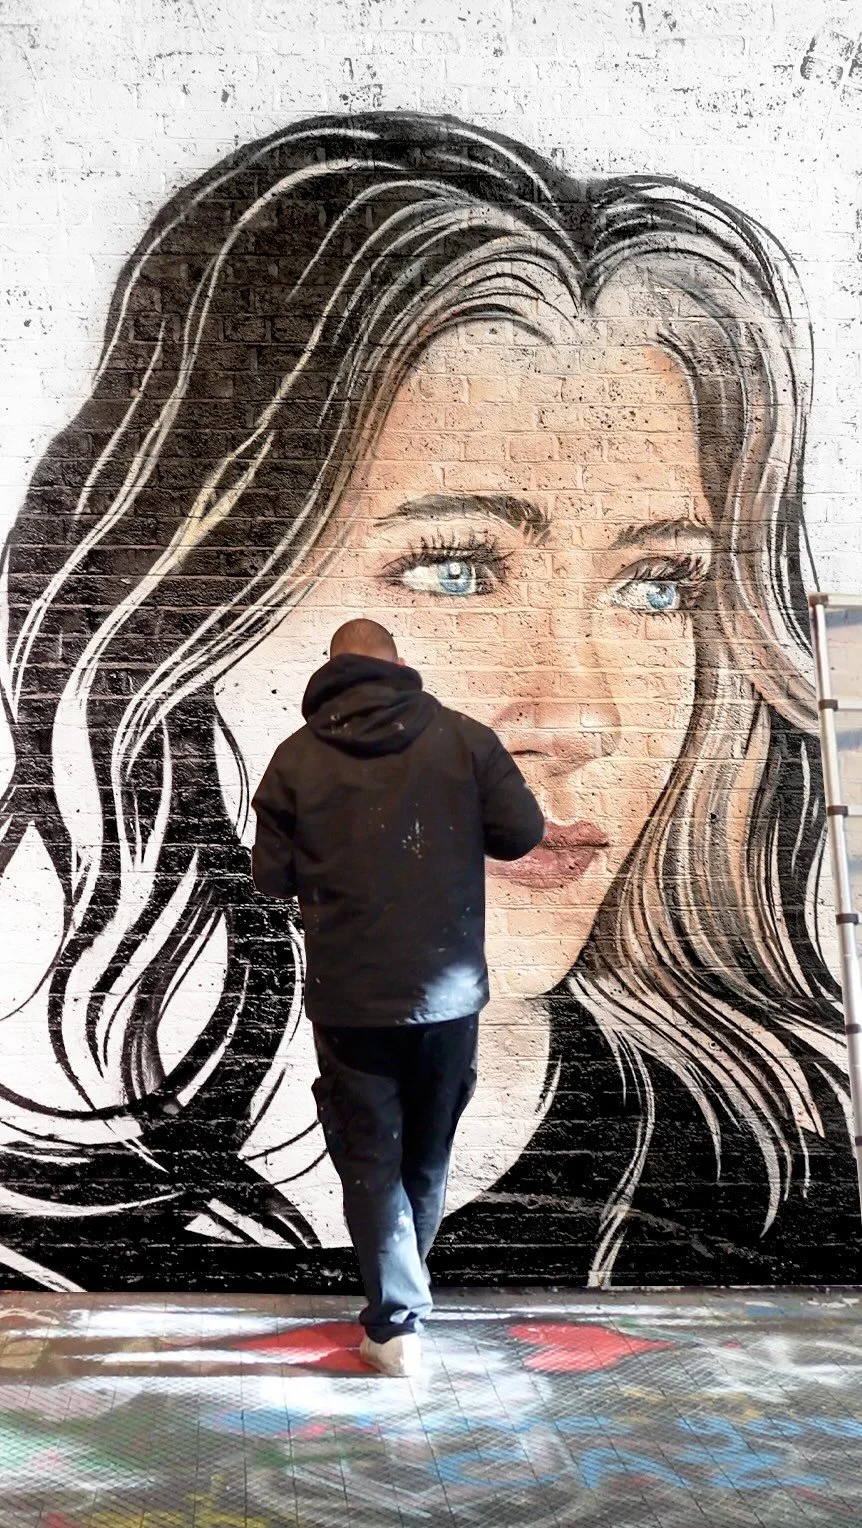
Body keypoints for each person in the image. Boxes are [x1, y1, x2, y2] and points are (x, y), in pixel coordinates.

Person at [0, 110, 856, 1294]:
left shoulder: (768, 1205)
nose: (583, 713)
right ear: (195, 604)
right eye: (455, 570)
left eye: (657, 585)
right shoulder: (39, 1238)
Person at [251, 616, 544, 1374]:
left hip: (349, 997)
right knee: (427, 1150)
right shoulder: (465, 740)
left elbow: (271, 878)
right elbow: (520, 834)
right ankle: (400, 1315)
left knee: (368, 1154)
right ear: (398, 662)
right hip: (448, 994)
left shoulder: (294, 758)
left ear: (329, 669)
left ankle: (397, 1323)